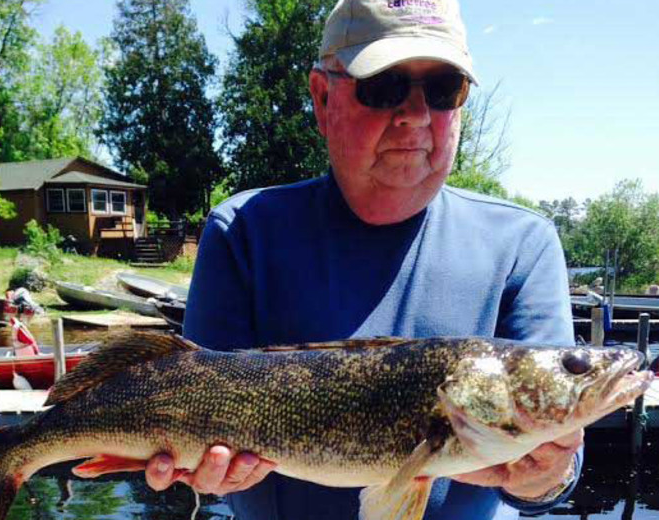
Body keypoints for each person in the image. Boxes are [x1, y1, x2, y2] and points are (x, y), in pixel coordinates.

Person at [144, 0, 583, 519]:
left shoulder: (523, 243)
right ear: (322, 97)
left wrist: (546, 478)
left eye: (444, 90)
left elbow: (558, 474)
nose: (416, 115)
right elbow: (190, 419)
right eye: (384, 86)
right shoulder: (241, 232)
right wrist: (203, 472)